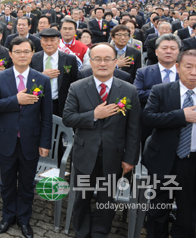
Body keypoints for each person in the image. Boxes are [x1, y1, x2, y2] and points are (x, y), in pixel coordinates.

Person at [63, 43, 140, 238]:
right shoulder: (77, 87)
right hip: (84, 153)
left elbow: (133, 128)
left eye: (108, 59)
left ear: (116, 62)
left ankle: (100, 232)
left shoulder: (129, 90)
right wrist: (94, 115)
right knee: (82, 196)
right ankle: (81, 231)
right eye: (97, 59)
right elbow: (68, 118)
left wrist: (130, 158)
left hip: (114, 155)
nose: (103, 63)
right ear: (90, 62)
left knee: (107, 199)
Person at [0, 37, 52, 237]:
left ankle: (23, 219)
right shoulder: (0, 78)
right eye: (18, 52)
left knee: (26, 183)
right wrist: (16, 99)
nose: (22, 55)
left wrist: (45, 142)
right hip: (6, 140)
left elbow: (46, 115)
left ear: (32, 54)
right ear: (11, 54)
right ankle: (7, 216)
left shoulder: (42, 79)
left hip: (30, 141)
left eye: (26, 51)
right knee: (6, 182)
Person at [142, 48, 196, 237]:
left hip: (192, 161)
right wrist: (181, 116)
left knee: (188, 210)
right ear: (178, 66)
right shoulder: (161, 90)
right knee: (158, 208)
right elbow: (148, 118)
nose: (194, 72)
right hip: (162, 159)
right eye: (188, 67)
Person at [135, 34, 180, 148]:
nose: (168, 51)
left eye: (173, 48)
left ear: (179, 52)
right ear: (156, 52)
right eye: (164, 48)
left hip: (180, 126)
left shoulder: (187, 73)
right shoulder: (143, 72)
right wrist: (163, 92)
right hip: (151, 126)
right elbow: (137, 94)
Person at [30, 28, 79, 117]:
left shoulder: (69, 59)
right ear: (41, 42)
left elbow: (74, 82)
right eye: (45, 40)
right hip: (38, 103)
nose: (49, 43)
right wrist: (42, 76)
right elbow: (27, 81)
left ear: (59, 41)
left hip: (60, 104)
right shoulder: (33, 58)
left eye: (52, 40)